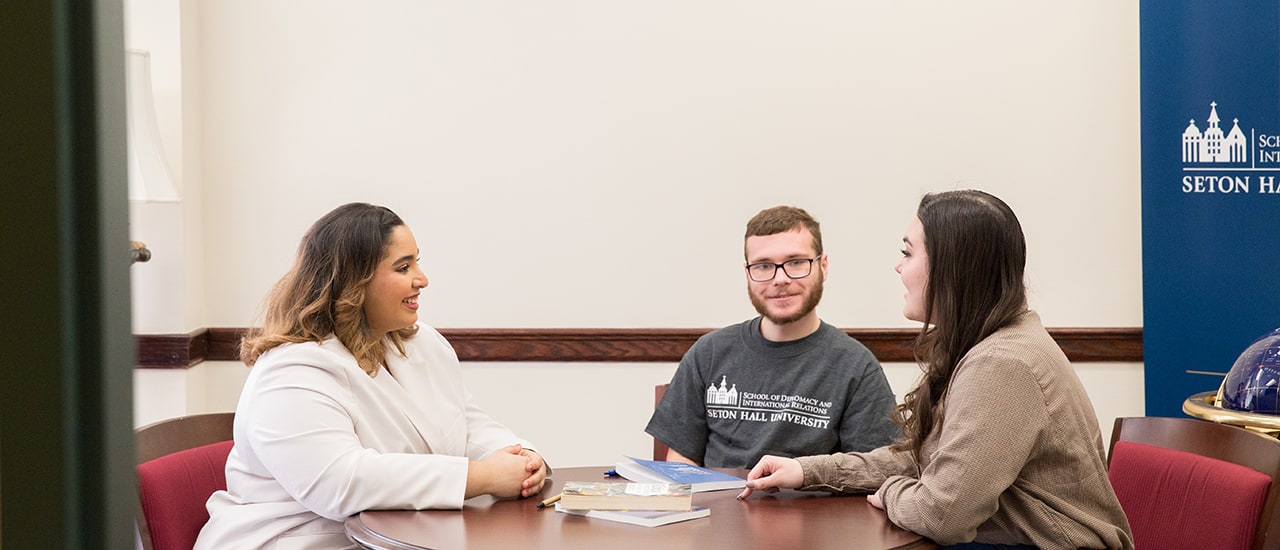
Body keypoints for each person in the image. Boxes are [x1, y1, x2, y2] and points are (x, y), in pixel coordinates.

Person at [738, 190, 1134, 550]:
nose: (898, 267)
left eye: (908, 253)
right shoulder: (986, 343)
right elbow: (922, 461)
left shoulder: (1003, 365)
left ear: (952, 267)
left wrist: (892, 492)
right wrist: (806, 471)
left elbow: (941, 515)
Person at [195, 203, 549, 549]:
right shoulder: (291, 373)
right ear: (354, 282)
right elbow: (341, 483)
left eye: (417, 262)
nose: (422, 279)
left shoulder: (422, 343)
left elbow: (464, 424)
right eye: (402, 267)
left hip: (397, 536)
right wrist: (485, 477)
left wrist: (518, 457)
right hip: (295, 541)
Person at [645, 205, 900, 469]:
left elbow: (876, 470)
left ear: (823, 266)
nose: (780, 279)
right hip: (720, 507)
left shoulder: (856, 366)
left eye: (796, 262)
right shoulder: (709, 353)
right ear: (747, 274)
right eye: (764, 266)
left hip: (811, 508)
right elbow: (679, 465)